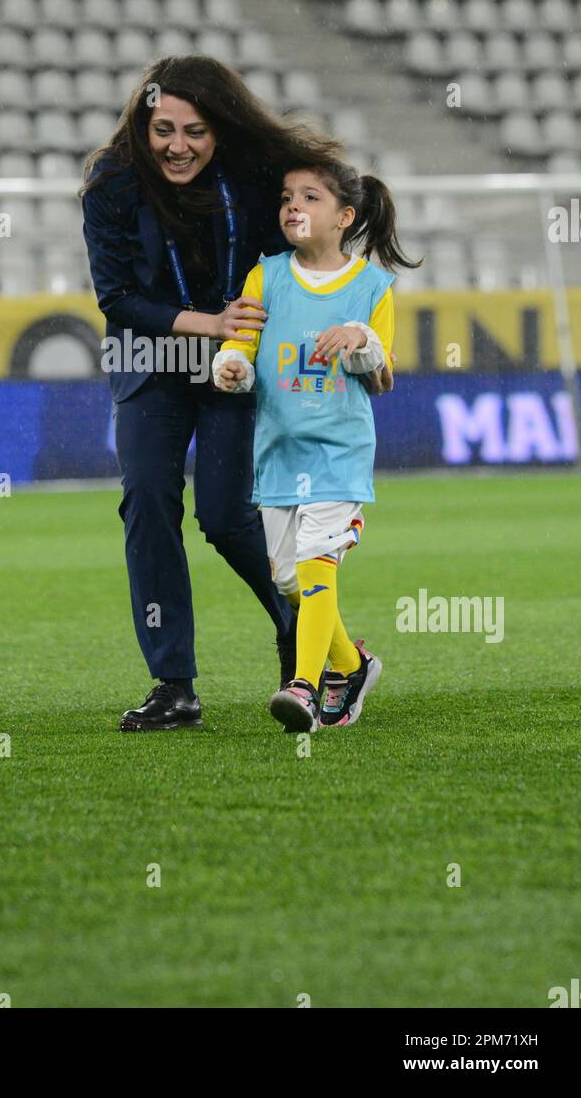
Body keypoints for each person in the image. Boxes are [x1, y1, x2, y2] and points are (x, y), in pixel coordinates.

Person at [81, 55, 392, 732]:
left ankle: (299, 625)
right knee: (148, 501)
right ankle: (173, 684)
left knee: (225, 519)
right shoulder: (110, 182)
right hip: (151, 361)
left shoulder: (254, 176)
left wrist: (335, 316)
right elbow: (117, 298)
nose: (177, 145)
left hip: (235, 367)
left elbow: (303, 245)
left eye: (194, 130)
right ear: (143, 123)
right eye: (162, 128)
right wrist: (211, 323)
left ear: (219, 129)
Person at [212, 158, 419, 733]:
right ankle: (353, 666)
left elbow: (382, 375)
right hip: (279, 451)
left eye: (309, 198)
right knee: (288, 579)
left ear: (344, 217)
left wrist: (363, 338)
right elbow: (243, 350)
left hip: (337, 451)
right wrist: (228, 366)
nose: (292, 207)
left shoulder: (372, 287)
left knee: (317, 561)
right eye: (286, 198)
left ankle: (303, 685)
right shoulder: (267, 275)